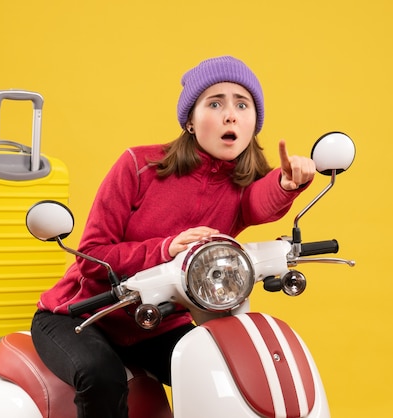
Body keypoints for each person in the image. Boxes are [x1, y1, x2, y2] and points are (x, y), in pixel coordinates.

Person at [31, 55, 317, 418]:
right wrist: (166, 248)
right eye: (215, 103)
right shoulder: (138, 165)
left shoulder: (239, 188)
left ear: (252, 124)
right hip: (80, 317)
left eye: (242, 105)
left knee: (225, 372)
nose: (230, 114)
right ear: (191, 122)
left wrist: (285, 184)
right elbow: (92, 257)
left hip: (159, 323)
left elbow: (263, 202)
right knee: (101, 376)